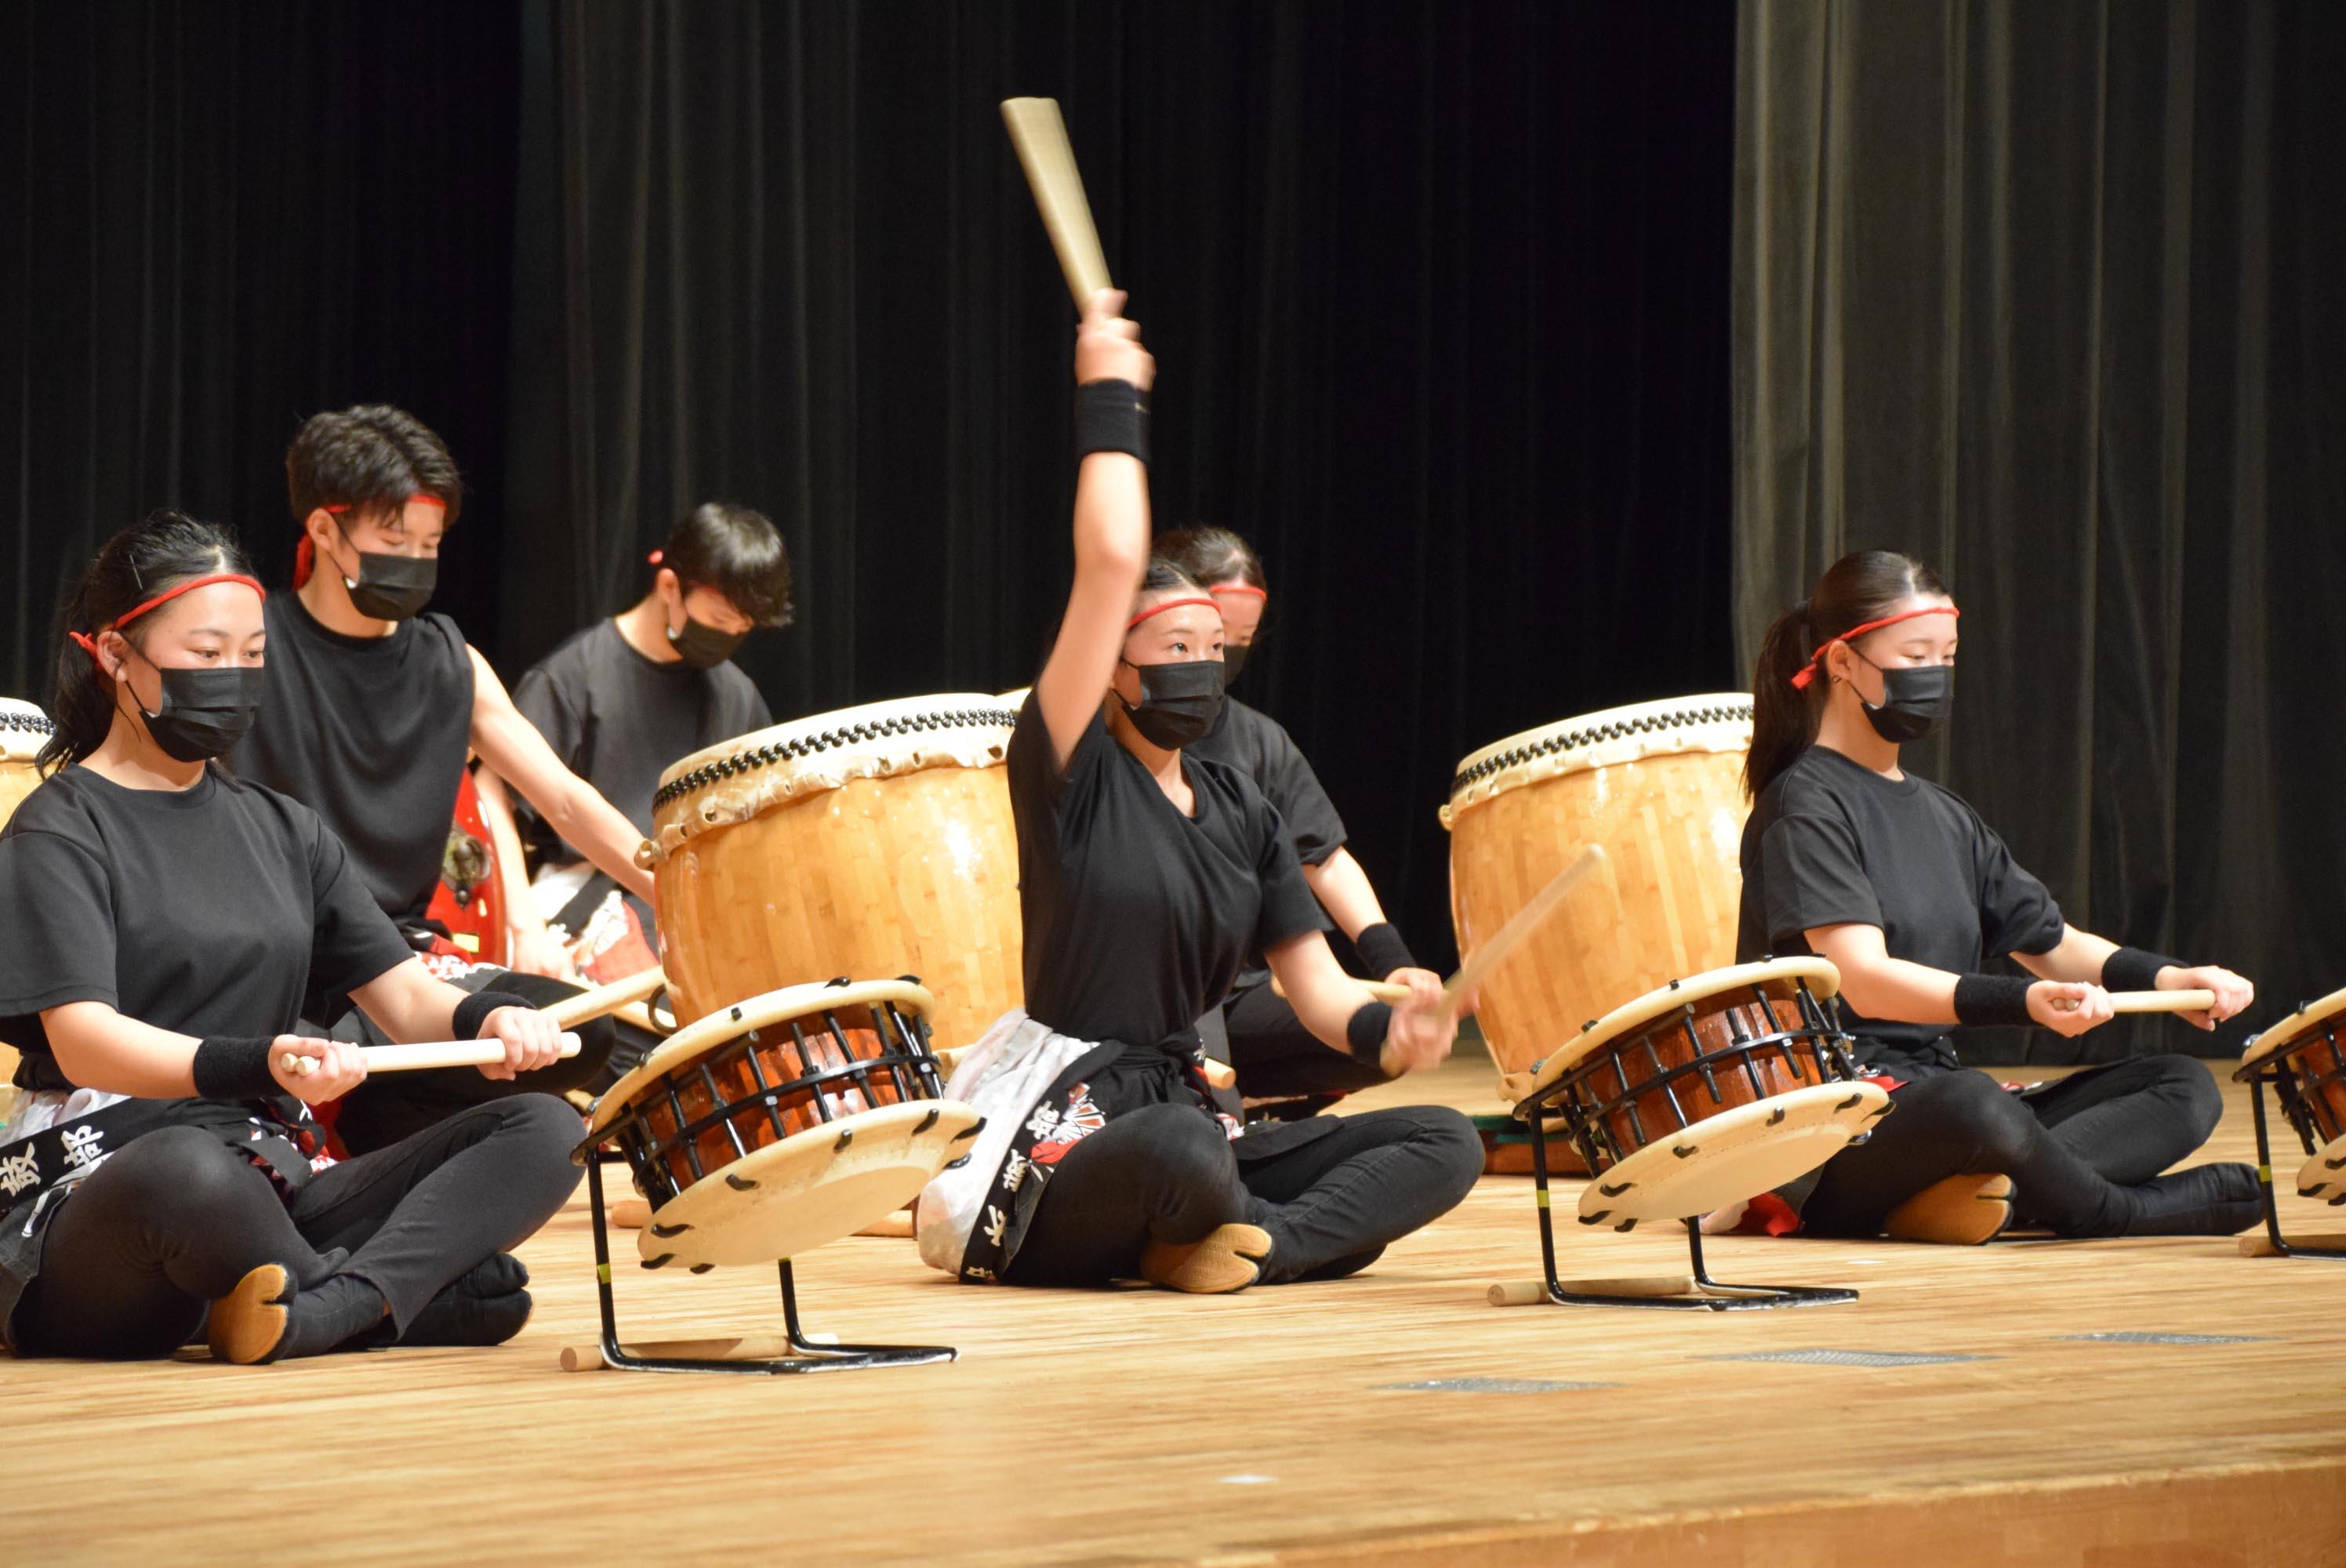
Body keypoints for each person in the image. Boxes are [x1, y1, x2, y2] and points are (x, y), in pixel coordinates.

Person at [915, 294, 1481, 1293]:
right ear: (1114, 669)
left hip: (1198, 1106)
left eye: (1213, 652)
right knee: (1181, 1148)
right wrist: (1107, 400)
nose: (1200, 668)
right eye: (1175, 647)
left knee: (1445, 1139)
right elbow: (1111, 562)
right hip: (1077, 1124)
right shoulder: (1065, 776)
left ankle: (1255, 1248)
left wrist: (1388, 1026)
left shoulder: (1242, 808)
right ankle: (1243, 1228)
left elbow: (1316, 992)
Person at [0, 512, 581, 1363]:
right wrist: (257, 1059)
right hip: (108, 1191)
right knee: (187, 1170)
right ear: (114, 654)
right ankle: (389, 1297)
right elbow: (83, 1042)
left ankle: (321, 1304)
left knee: (544, 1126)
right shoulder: (59, 829)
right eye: (205, 654)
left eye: (253, 654)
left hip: (270, 1178)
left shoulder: (283, 828)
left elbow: (408, 997)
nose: (233, 676)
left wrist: (487, 1020)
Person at [1733, 549, 2260, 1243]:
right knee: (1974, 1106)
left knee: (2181, 1084)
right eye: (1916, 654)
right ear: (1841, 662)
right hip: (1832, 1124)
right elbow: (1862, 981)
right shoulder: (1806, 804)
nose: (1936, 675)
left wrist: (2170, 976)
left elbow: (2055, 945)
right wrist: (2020, 1004)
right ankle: (2118, 1210)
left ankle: (1988, 1194)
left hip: (1938, 1106)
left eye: (1947, 658)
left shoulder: (1948, 818)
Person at [227, 405, 648, 1151]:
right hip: (279, 966)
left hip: (406, 970)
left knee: (579, 1035)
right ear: (324, 530)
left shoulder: (452, 663)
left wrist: (673, 888)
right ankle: (373, 1130)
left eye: (429, 544)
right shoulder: (252, 649)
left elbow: (565, 799)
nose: (415, 562)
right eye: (393, 542)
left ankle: (379, 1120)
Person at [1156, 525, 1422, 1111]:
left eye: (1237, 642)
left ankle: (1245, 1116)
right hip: (1155, 988)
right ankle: (1213, 1116)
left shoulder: (1257, 739)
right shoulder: (1107, 736)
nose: (1220, 657)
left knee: (1382, 1039)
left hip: (1239, 985)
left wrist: (1392, 961)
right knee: (1201, 1096)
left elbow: (1322, 854)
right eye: (1208, 638)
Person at [473, 502, 790, 989]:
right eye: (720, 618)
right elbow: (491, 797)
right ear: (669, 587)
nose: (728, 637)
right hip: (588, 906)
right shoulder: (574, 677)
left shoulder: (734, 694)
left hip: (698, 909)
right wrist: (525, 929)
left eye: (742, 631)